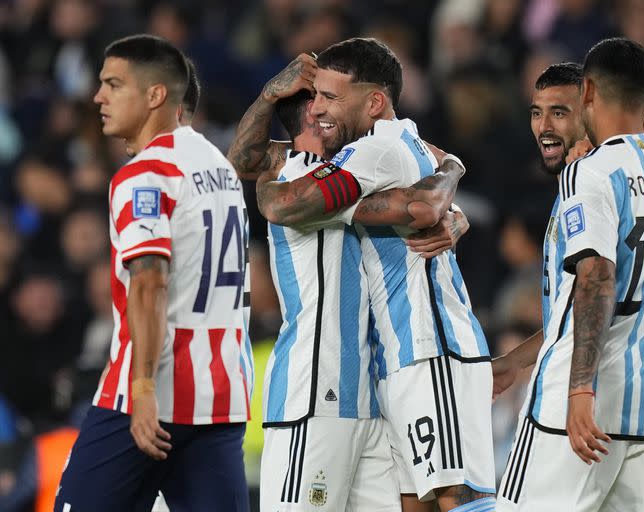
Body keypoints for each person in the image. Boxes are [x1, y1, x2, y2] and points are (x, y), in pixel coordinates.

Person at [253, 39, 494, 511]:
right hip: (383, 369)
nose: (323, 109)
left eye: (331, 99)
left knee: (457, 497)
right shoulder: (335, 163)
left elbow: (421, 203)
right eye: (316, 100)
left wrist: (445, 186)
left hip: (425, 349)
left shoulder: (375, 150)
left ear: (373, 102)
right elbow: (421, 198)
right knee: (422, 501)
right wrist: (451, 172)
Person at [494, 37, 644, 511]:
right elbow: (607, 298)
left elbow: (597, 281)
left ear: (586, 93)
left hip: (577, 404)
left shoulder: (588, 174)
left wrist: (580, 389)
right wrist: (516, 361)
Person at [54, 35, 250, 511]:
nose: (98, 96)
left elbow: (148, 282)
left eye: (113, 84)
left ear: (155, 95)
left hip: (146, 398)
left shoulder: (144, 174)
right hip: (219, 398)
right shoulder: (220, 168)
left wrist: (142, 390)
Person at [491, 62, 586, 402]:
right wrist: (514, 362)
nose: (543, 127)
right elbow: (570, 314)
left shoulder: (590, 188)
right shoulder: (568, 190)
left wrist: (580, 392)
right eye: (536, 113)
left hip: (580, 392)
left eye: (559, 113)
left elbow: (598, 296)